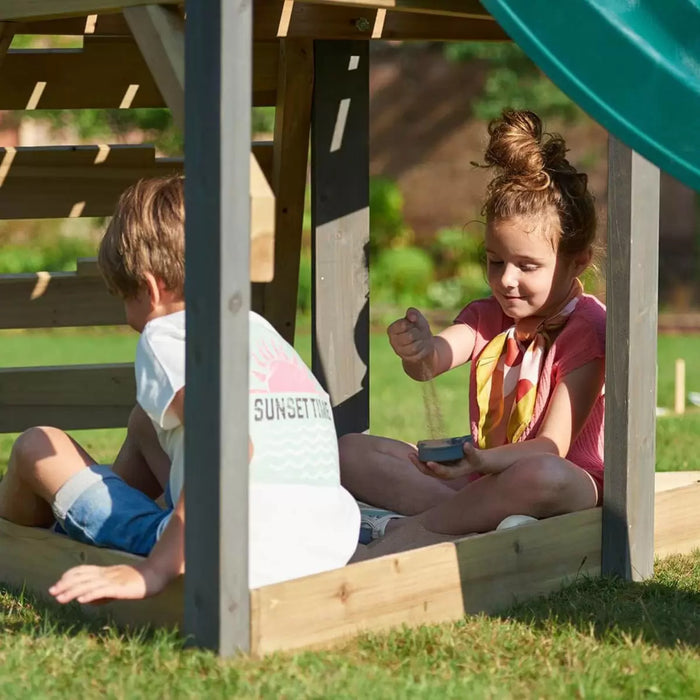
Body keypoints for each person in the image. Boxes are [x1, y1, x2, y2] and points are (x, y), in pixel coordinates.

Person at [0, 175, 360, 603]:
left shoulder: (168, 336)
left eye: (124, 296)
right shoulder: (258, 331)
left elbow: (226, 445)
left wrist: (153, 571)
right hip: (325, 543)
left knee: (36, 446)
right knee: (146, 420)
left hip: (229, 549)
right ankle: (103, 513)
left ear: (151, 289)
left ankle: (21, 540)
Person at [340, 110, 605, 558]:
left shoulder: (587, 329)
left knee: (538, 475)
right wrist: (419, 347)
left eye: (527, 266)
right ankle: (477, 523)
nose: (506, 280)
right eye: (495, 261)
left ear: (576, 262)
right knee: (350, 452)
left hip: (563, 489)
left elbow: (552, 447)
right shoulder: (491, 315)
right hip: (488, 480)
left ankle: (409, 534)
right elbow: (434, 361)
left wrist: (485, 461)